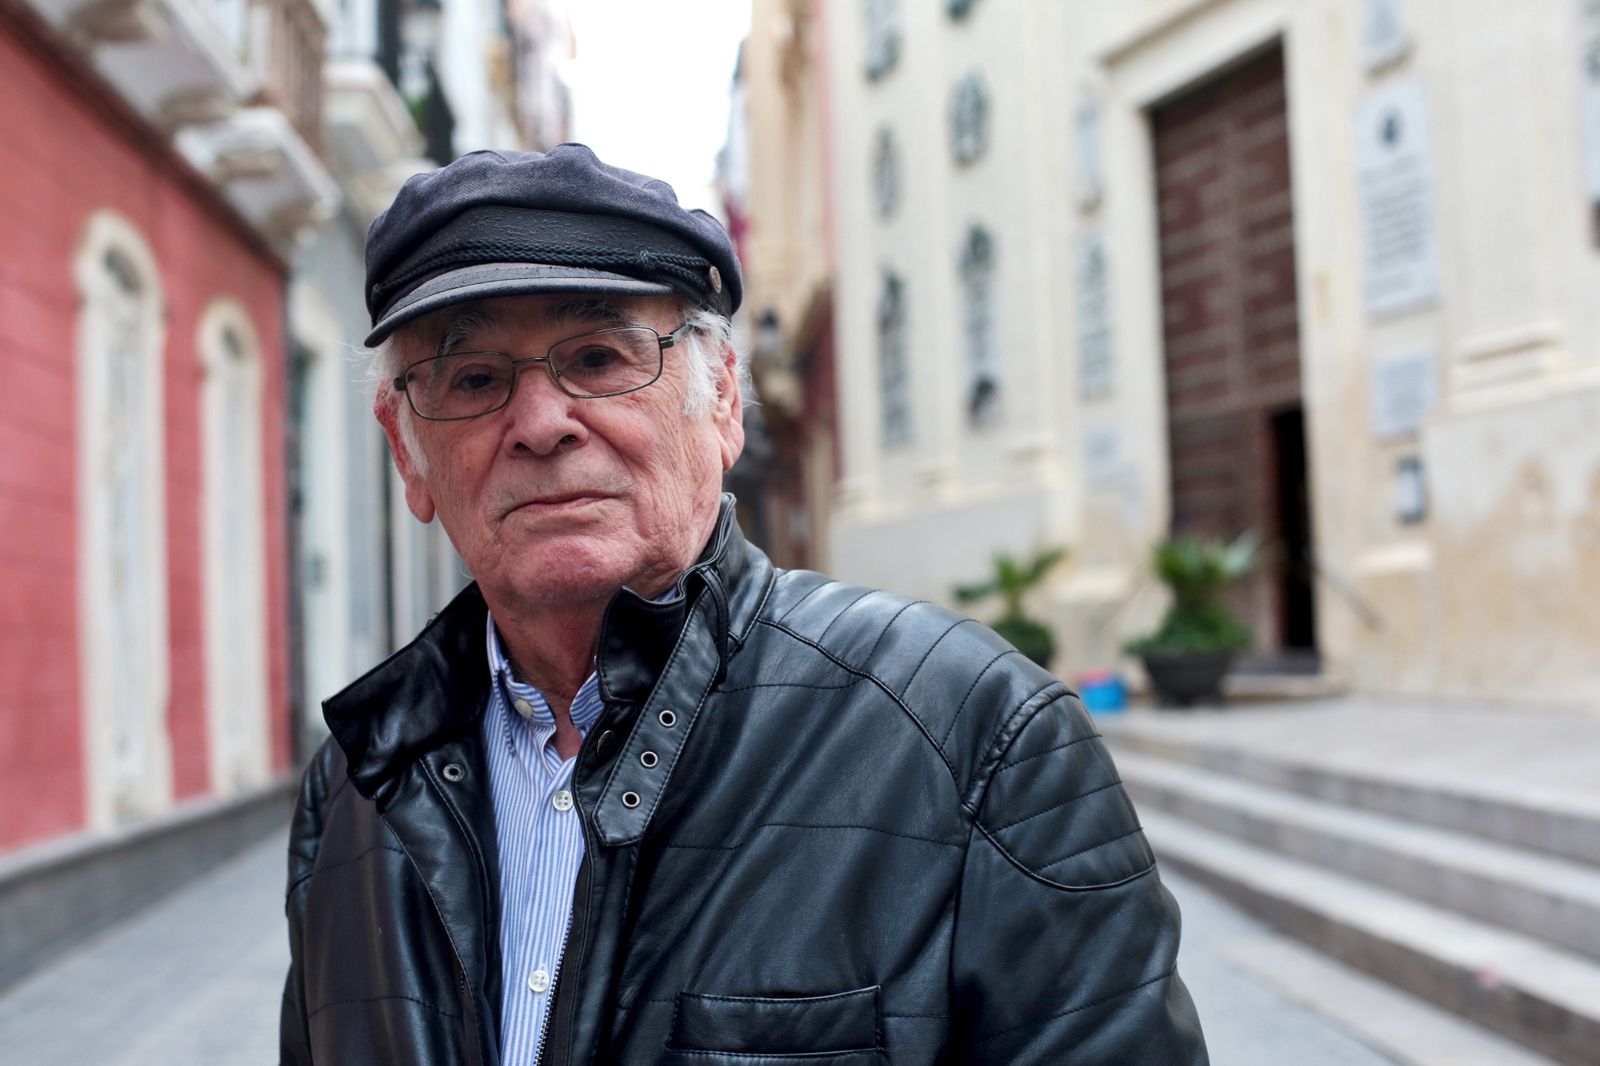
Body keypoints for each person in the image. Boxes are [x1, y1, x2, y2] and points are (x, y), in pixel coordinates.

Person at [279, 143, 1208, 1065]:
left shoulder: (973, 737)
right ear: (407, 452)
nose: (540, 423)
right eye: (475, 380)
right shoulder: (356, 784)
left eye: (600, 357)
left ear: (722, 400)